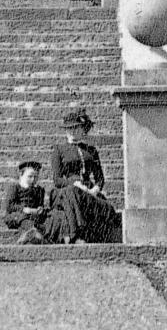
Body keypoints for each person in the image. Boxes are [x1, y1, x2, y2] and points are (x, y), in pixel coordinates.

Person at [49, 103, 122, 244]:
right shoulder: (59, 149)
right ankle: (76, 234)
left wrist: (95, 189)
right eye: (69, 129)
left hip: (89, 191)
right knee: (72, 192)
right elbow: (57, 180)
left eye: (76, 128)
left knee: (105, 207)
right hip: (66, 190)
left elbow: (100, 178)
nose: (72, 131)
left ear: (83, 129)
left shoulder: (91, 150)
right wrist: (74, 183)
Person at [4, 158, 50, 242]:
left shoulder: (39, 190)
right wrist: (24, 209)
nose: (33, 180)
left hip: (33, 215)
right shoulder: (15, 188)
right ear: (21, 175)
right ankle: (33, 233)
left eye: (35, 177)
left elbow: (39, 204)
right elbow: (10, 206)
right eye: (30, 176)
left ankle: (28, 235)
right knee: (24, 218)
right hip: (17, 215)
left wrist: (40, 209)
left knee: (47, 217)